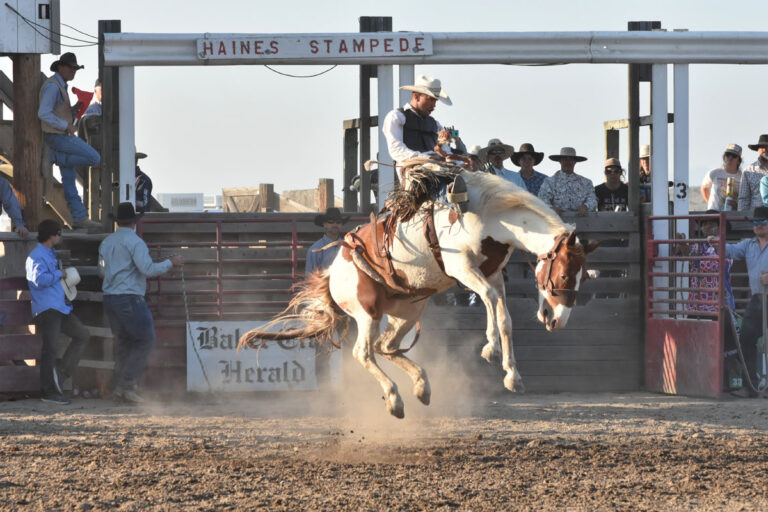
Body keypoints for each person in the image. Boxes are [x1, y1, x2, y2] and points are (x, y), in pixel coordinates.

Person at [98, 202, 183, 403]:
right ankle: (127, 385)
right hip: (129, 297)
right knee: (146, 340)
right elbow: (148, 269)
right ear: (134, 222)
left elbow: (101, 271)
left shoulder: (106, 243)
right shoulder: (136, 243)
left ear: (118, 222)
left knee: (124, 343)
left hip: (110, 297)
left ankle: (118, 386)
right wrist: (171, 263)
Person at [26, 219, 91, 405]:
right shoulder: (36, 256)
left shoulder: (46, 254)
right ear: (52, 235)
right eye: (59, 233)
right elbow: (38, 280)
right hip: (48, 308)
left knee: (82, 335)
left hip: (57, 307)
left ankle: (60, 374)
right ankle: (48, 391)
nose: (60, 237)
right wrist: (59, 274)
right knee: (51, 348)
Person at [37, 52, 101, 230]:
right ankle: (57, 157)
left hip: (58, 136)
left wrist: (73, 111)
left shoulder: (58, 85)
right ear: (61, 67)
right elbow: (43, 113)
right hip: (57, 137)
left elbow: (52, 113)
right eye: (71, 68)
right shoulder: (53, 87)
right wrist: (66, 125)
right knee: (94, 158)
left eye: (75, 69)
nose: (74, 71)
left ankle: (79, 217)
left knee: (69, 183)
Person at [381, 75, 466, 206]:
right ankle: (451, 204)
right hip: (414, 173)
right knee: (438, 184)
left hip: (439, 168)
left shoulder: (435, 124)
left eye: (435, 101)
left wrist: (455, 160)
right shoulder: (396, 117)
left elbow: (446, 152)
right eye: (431, 100)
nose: (434, 105)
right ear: (416, 97)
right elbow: (396, 150)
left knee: (467, 174)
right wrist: (427, 158)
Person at [709, 206, 768, 397]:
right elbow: (730, 250)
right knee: (745, 340)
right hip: (758, 299)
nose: (758, 225)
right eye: (756, 222)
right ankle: (752, 386)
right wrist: (716, 242)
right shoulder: (749, 245)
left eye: (763, 222)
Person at [537, 147, 598, 216]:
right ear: (560, 161)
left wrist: (586, 207)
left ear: (575, 162)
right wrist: (551, 209)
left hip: (582, 221)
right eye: (565, 159)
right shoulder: (549, 182)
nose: (568, 162)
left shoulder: (586, 183)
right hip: (557, 221)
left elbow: (593, 200)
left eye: (571, 159)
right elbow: (541, 200)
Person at [305, 207, 349, 275]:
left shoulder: (348, 248)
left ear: (341, 225)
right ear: (324, 224)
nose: (335, 225)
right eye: (331, 222)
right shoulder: (314, 250)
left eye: (338, 222)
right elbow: (310, 277)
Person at [701, 143, 742, 211]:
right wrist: (710, 205)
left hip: (733, 214)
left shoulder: (742, 177)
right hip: (714, 213)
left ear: (739, 161)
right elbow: (704, 188)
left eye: (734, 156)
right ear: (724, 158)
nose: (730, 158)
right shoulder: (714, 173)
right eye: (728, 155)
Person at [738, 135, 768, 211]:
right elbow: (743, 199)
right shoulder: (748, 171)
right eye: (762, 147)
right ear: (758, 149)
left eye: (767, 147)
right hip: (755, 216)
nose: (765, 149)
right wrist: (743, 216)